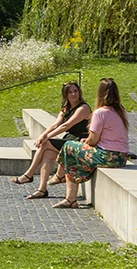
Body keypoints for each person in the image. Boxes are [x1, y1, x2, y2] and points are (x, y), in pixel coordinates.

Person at [54, 78, 131, 209]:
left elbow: (93, 140)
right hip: (121, 157)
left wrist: (86, 141)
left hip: (106, 156)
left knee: (69, 146)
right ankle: (66, 186)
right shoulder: (121, 110)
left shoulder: (100, 113)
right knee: (76, 152)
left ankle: (66, 189)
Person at [11, 81, 90, 199]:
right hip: (70, 140)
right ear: (65, 95)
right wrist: (43, 135)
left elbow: (66, 126)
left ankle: (29, 175)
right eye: (70, 92)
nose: (74, 94)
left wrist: (46, 137)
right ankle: (41, 189)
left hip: (78, 142)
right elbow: (55, 125)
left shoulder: (83, 108)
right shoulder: (66, 109)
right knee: (47, 153)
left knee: (46, 144)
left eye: (75, 91)